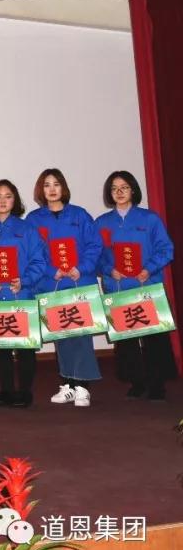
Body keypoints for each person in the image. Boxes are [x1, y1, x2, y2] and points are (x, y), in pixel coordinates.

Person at [95, 170, 176, 401]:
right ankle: (136, 381)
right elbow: (96, 255)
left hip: (146, 285)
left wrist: (148, 268)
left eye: (124, 187)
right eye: (114, 188)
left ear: (133, 190)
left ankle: (157, 384)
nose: (119, 192)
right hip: (118, 287)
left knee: (154, 338)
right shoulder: (102, 223)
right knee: (127, 340)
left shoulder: (149, 219)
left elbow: (166, 249)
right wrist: (108, 269)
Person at [24, 169, 102, 407]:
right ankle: (68, 384)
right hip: (52, 284)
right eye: (46, 184)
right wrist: (51, 271)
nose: (52, 189)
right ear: (41, 189)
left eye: (56, 184)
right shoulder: (34, 220)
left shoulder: (80, 215)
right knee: (61, 336)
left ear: (63, 187)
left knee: (82, 336)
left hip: (80, 281)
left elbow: (94, 245)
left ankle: (83, 388)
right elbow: (31, 252)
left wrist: (82, 267)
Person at [0, 180, 48, 409]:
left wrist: (25, 280)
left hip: (21, 294)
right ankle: (6, 390)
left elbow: (39, 261)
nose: (3, 200)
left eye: (8, 196)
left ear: (15, 200)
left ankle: (24, 392)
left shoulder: (27, 230)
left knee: (25, 346)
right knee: (1, 346)